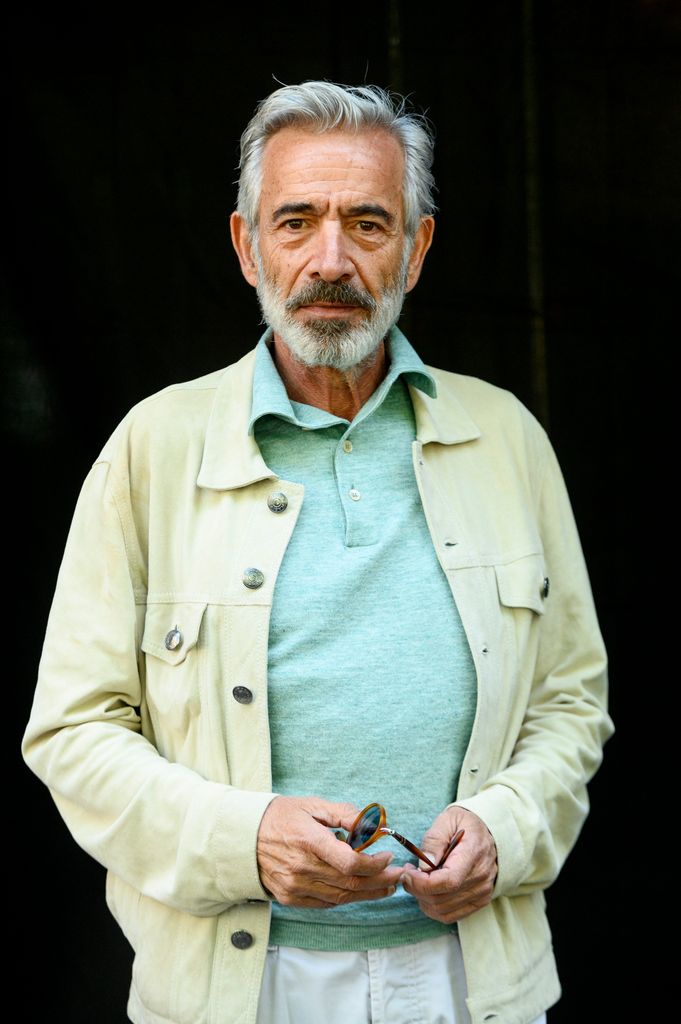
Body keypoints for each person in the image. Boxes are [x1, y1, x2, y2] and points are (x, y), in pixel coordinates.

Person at [22, 81, 613, 1024]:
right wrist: (245, 837)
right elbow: (73, 732)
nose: (329, 260)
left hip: (470, 983)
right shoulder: (154, 446)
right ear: (245, 244)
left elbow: (570, 701)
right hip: (238, 990)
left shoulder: (505, 437)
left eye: (368, 224)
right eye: (294, 222)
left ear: (415, 249)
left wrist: (507, 830)